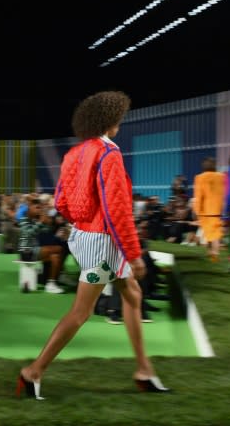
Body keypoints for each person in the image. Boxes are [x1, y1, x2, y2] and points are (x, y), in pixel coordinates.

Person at [17, 90, 169, 399]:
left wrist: (84, 219)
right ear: (111, 120)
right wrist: (133, 253)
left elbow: (61, 202)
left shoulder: (75, 153)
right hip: (104, 244)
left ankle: (144, 369)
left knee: (132, 294)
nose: (120, 124)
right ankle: (33, 372)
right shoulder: (108, 153)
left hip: (86, 237)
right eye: (119, 119)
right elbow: (118, 209)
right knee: (81, 312)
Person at [193, 157, 226, 262]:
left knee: (208, 233)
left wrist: (197, 211)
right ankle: (213, 253)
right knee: (214, 233)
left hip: (205, 211)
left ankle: (212, 253)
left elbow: (199, 196)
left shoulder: (200, 177)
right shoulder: (222, 176)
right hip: (218, 210)